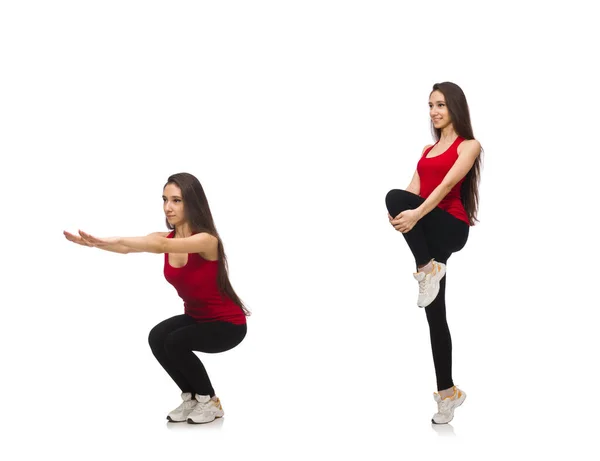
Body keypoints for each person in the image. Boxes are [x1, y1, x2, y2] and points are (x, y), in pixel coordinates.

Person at [64, 172, 249, 424]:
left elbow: (159, 247)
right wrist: (96, 243)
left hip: (228, 325)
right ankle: (191, 398)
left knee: (175, 341)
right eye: (165, 199)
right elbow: (128, 247)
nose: (168, 207)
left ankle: (209, 401)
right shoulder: (166, 238)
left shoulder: (207, 240)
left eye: (176, 200)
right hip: (197, 318)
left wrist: (115, 239)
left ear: (192, 203)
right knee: (157, 337)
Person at [385, 82, 482, 424]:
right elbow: (413, 188)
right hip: (426, 225)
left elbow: (443, 188)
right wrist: (399, 215)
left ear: (455, 107)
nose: (434, 112)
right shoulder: (426, 150)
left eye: (440, 104)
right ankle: (448, 393)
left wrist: (410, 211)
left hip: (451, 227)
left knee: (395, 199)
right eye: (430, 106)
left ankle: (426, 268)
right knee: (435, 315)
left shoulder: (468, 145)